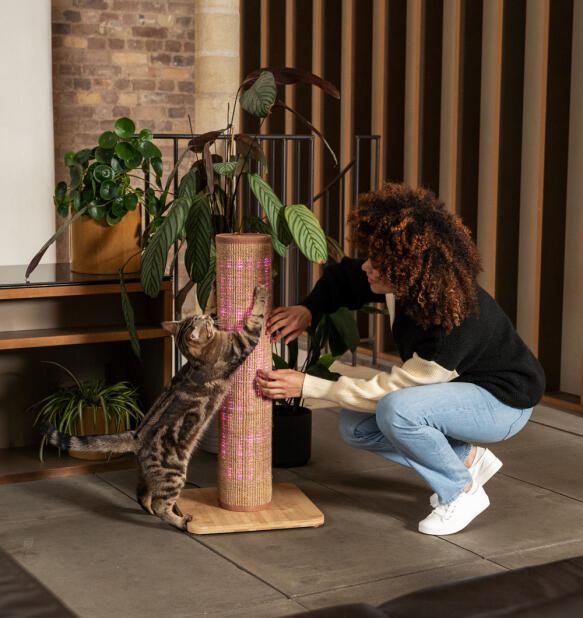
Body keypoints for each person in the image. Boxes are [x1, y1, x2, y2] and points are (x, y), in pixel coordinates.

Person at [256, 182, 545, 536]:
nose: (367, 268)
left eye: (378, 264)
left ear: (409, 270)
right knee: (355, 425)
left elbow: (394, 392)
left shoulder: (450, 324)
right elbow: (344, 277)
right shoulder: (401, 280)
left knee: (398, 411)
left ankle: (461, 491)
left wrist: (308, 385)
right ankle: (466, 459)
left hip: (503, 403)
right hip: (459, 390)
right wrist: (308, 309)